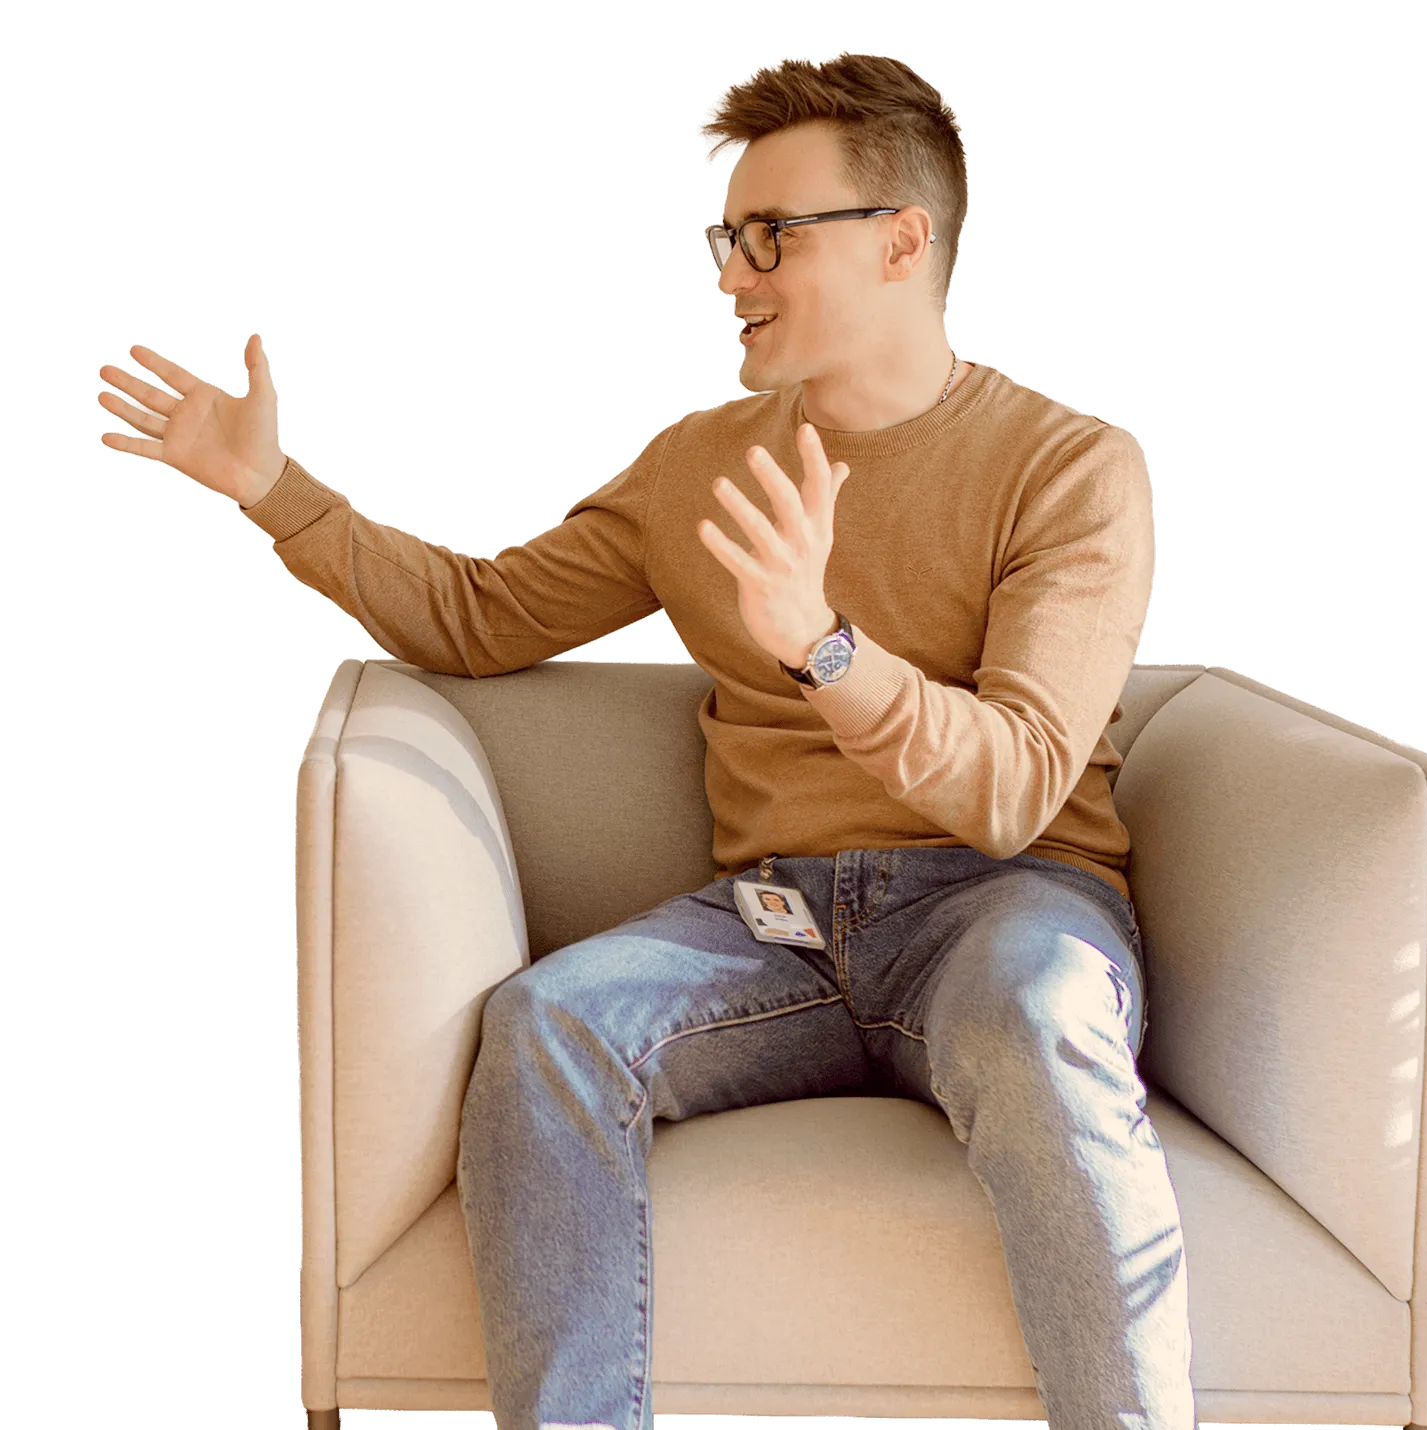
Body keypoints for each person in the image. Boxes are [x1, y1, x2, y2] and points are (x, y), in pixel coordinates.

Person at [97, 52, 1189, 1430]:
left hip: (1007, 903)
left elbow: (1016, 786)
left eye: (771, 234)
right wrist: (273, 487)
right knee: (549, 1024)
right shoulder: (698, 463)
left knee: (1040, 1012)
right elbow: (481, 616)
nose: (732, 273)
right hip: (779, 924)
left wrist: (823, 645)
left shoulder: (1072, 465)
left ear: (904, 240)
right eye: (726, 237)